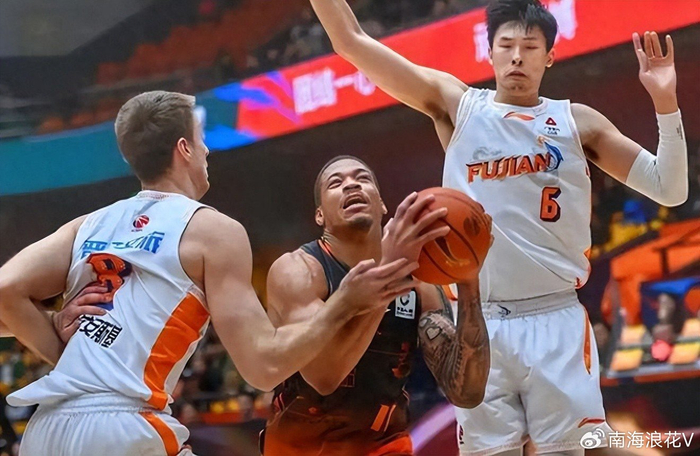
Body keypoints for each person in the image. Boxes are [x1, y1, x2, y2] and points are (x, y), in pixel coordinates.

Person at [309, 0, 688, 454]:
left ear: (550, 56)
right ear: (488, 52)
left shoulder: (577, 122)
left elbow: (669, 188)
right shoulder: (458, 107)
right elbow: (351, 42)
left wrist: (665, 101)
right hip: (477, 322)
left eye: (530, 47)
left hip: (555, 319)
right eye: (506, 45)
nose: (517, 57)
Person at [0, 91, 422, 455]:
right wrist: (345, 302)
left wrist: (57, 335)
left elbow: (5, 290)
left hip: (46, 428)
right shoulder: (211, 229)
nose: (207, 152)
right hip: (125, 424)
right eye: (202, 141)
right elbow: (263, 367)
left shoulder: (86, 225)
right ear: (184, 148)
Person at [261, 155, 491, 455]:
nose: (351, 184)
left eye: (362, 178)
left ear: (382, 205)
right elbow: (323, 377)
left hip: (385, 446)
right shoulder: (299, 271)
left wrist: (469, 282)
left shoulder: (419, 282)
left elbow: (467, 393)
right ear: (319, 216)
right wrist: (390, 271)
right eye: (336, 183)